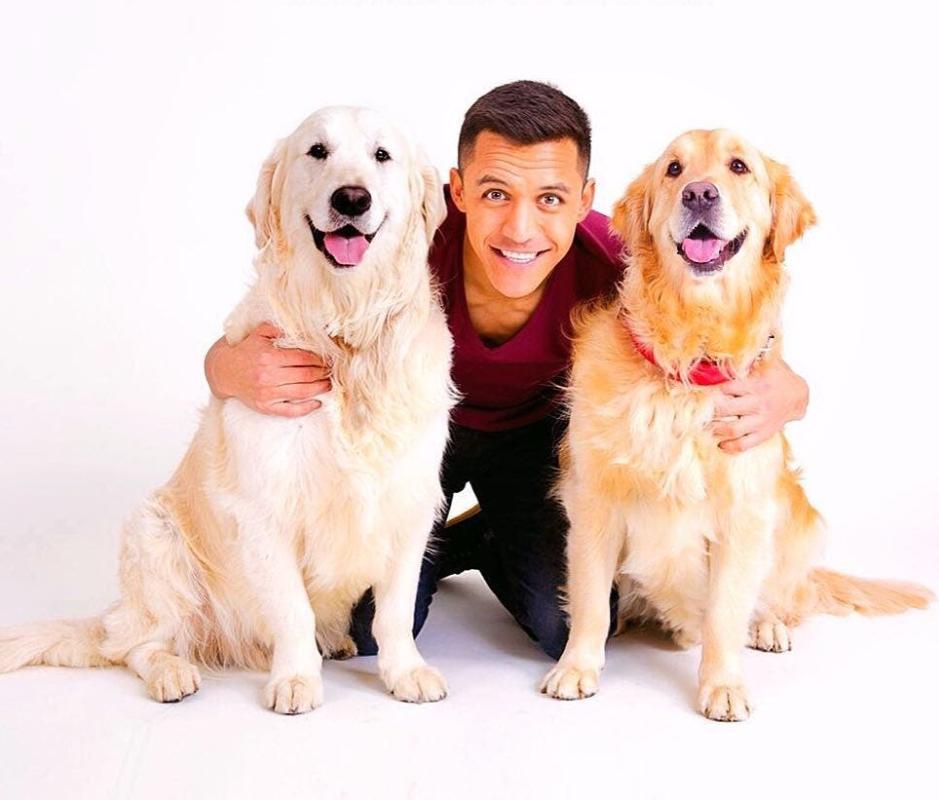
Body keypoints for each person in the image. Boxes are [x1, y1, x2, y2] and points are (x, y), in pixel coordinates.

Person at [203, 81, 809, 660]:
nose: (520, 229)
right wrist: (224, 365)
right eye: (495, 194)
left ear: (584, 201)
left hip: (531, 445)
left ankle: (478, 536)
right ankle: (434, 536)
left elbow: (713, 320)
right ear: (457, 192)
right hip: (406, 437)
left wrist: (792, 390)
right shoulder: (403, 237)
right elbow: (299, 305)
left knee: (566, 625)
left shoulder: (614, 259)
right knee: (357, 633)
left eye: (550, 199)